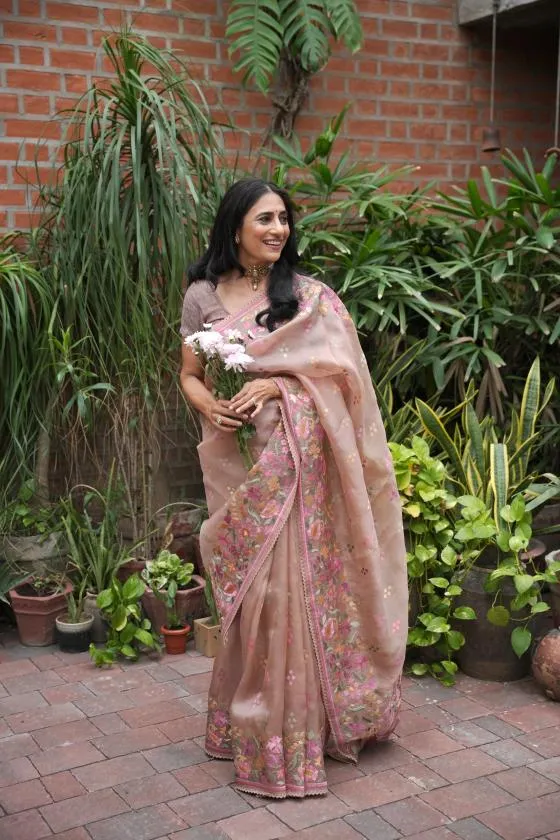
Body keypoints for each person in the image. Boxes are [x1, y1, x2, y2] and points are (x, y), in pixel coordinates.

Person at [179, 177, 407, 799]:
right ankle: (249, 721)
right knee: (255, 595)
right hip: (241, 465)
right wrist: (211, 408)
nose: (278, 229)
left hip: (302, 471)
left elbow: (343, 382)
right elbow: (189, 374)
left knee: (290, 589)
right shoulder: (203, 294)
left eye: (283, 219)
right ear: (234, 227)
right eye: (265, 219)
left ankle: (300, 730)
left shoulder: (309, 297)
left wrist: (278, 386)